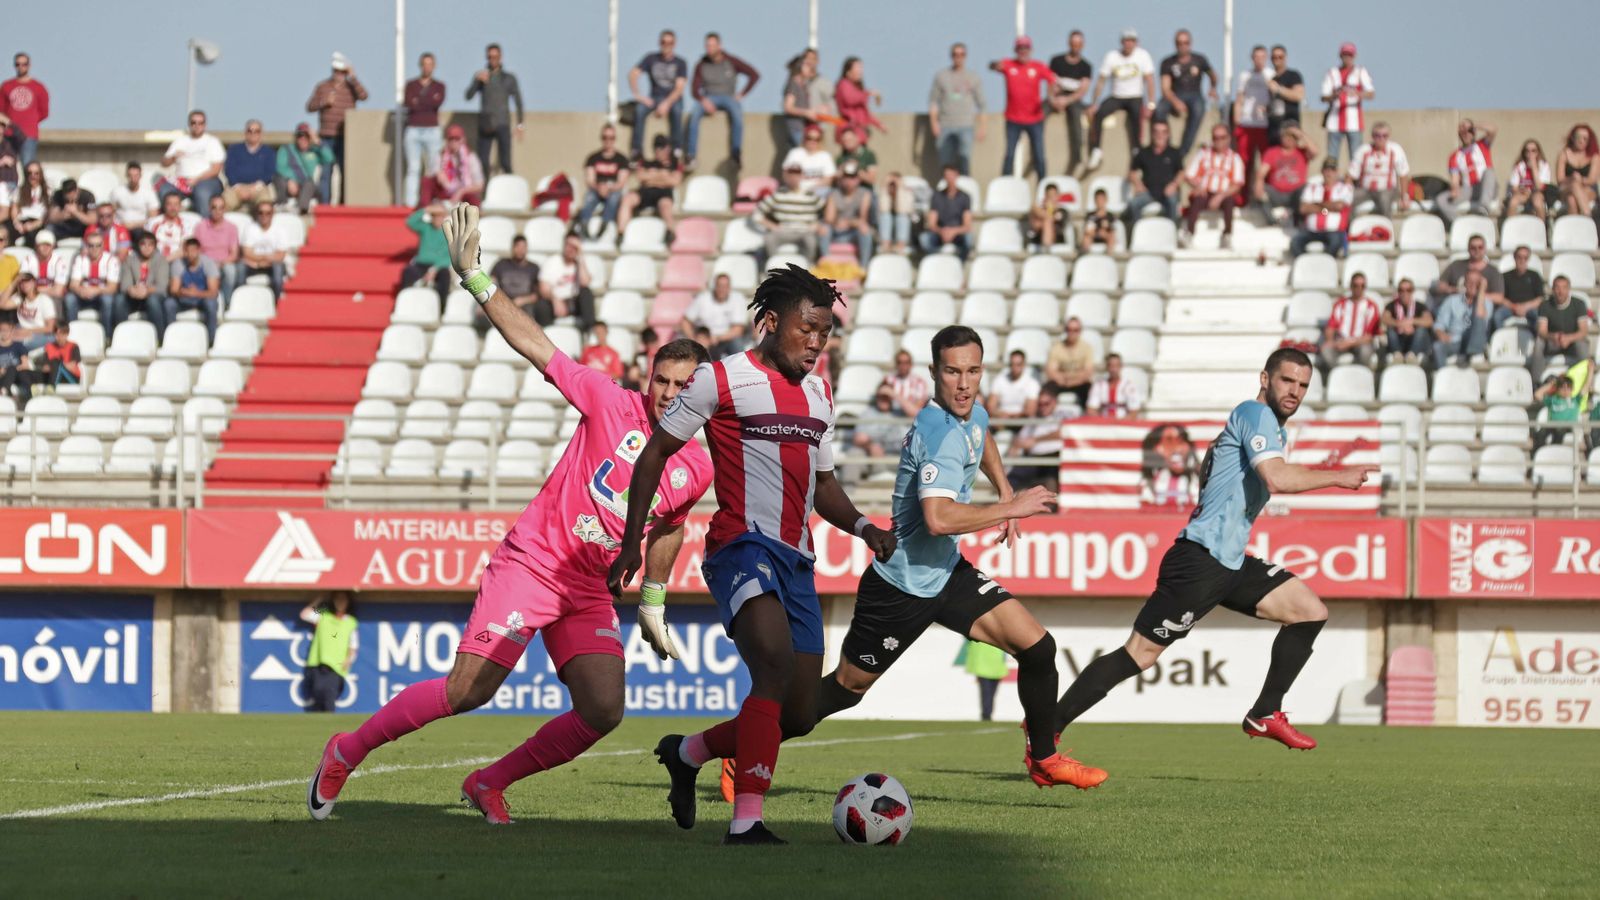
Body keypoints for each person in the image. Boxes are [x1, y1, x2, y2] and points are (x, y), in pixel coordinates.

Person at [308, 204, 714, 825]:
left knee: (604, 710)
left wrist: (654, 598)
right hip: (535, 563)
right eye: (661, 380)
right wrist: (476, 278)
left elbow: (672, 523)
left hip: (588, 587)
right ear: (649, 377)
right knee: (468, 691)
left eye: (683, 386)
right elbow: (537, 345)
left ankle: (488, 783)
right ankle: (346, 750)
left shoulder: (699, 466)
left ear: (701, 392)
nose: (668, 393)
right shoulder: (610, 400)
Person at [609, 264, 895, 845]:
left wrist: (866, 527)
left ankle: (687, 754)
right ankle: (747, 822)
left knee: (799, 714)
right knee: (771, 663)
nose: (816, 343)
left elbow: (827, 487)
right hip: (740, 546)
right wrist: (632, 540)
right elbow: (654, 455)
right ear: (769, 322)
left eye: (825, 332)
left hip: (797, 558)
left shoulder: (820, 391)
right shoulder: (721, 379)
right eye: (806, 329)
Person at [756, 326, 1100, 792]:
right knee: (844, 690)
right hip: (899, 586)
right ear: (934, 373)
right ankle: (748, 747)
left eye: (973, 371)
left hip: (946, 575)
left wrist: (1004, 487)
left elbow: (983, 436)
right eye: (953, 372)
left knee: (1038, 648)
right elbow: (937, 518)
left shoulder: (970, 413)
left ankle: (1044, 757)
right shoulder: (937, 433)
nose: (964, 383)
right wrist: (1010, 508)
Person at [1051, 348, 1376, 767]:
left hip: (1230, 561)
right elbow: (1276, 477)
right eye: (1286, 381)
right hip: (1199, 562)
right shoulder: (1254, 415)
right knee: (1140, 654)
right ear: (1265, 378)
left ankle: (1263, 714)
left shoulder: (1265, 426)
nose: (1294, 391)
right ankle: (1048, 725)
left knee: (1308, 610)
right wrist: (1338, 477)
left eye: (1302, 385)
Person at [684, 33, 759, 170]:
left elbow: (754, 74)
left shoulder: (731, 61)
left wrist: (742, 94)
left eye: (712, 45)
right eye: (707, 46)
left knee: (737, 114)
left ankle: (736, 154)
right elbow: (694, 90)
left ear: (719, 46)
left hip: (728, 97)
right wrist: (703, 100)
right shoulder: (701, 64)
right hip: (709, 97)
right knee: (694, 114)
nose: (710, 48)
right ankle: (690, 156)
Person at [1085, 28, 1156, 171]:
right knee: (1099, 114)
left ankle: (1137, 150)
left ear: (1136, 43)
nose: (1129, 44)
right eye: (1126, 41)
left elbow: (1150, 80)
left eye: (1132, 41)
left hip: (1135, 95)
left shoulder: (1143, 56)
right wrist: (1094, 103)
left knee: (1136, 118)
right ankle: (1097, 150)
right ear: (1122, 42)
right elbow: (1101, 81)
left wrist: (1151, 104)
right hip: (1117, 96)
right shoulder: (1112, 56)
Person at [989, 36, 1053, 179]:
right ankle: (1005, 183)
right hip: (1013, 119)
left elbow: (1052, 81)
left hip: (1034, 119)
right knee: (1010, 154)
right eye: (1020, 49)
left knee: (1039, 155)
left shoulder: (1038, 66)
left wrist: (1051, 96)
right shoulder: (1009, 64)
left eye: (1026, 48)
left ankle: (1043, 185)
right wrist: (995, 65)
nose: (1023, 52)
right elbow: (992, 66)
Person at [306, 52, 368, 197]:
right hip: (326, 136)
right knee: (326, 170)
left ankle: (343, 202)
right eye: (337, 71)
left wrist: (353, 78)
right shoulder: (323, 86)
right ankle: (325, 202)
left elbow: (364, 96)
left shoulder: (351, 87)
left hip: (345, 136)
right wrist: (324, 102)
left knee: (345, 170)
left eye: (342, 72)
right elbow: (309, 106)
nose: (339, 74)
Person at [1155, 29, 1219, 159]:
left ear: (1190, 43)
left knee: (1198, 109)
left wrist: (1213, 88)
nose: (1183, 46)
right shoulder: (1168, 62)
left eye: (1186, 43)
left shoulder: (1199, 59)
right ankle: (1165, 143)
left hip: (1194, 94)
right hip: (1175, 94)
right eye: (1179, 43)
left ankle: (1183, 151)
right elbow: (1165, 88)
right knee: (1160, 109)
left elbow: (1213, 75)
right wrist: (1175, 102)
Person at [1181, 125, 1246, 249]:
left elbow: (1237, 184)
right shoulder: (1203, 154)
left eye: (1222, 137)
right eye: (1216, 138)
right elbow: (1189, 175)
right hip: (1205, 192)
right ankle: (1189, 233)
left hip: (1224, 194)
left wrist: (1220, 196)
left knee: (1229, 201)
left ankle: (1227, 234)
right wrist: (1198, 186)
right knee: (1197, 199)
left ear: (1228, 139)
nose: (1219, 141)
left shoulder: (1234, 158)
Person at [628, 31, 689, 160]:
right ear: (659, 43)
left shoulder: (680, 63)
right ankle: (636, 150)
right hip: (654, 98)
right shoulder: (651, 58)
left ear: (674, 44)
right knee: (639, 110)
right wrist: (638, 96)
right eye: (663, 42)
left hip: (673, 99)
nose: (666, 45)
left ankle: (676, 148)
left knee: (677, 111)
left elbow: (679, 88)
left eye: (670, 43)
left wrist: (666, 104)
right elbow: (633, 74)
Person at [929, 43, 987, 176]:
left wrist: (983, 127)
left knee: (964, 160)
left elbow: (982, 104)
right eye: (955, 54)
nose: (958, 57)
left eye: (962, 54)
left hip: (966, 125)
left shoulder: (973, 77)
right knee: (945, 162)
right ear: (951, 56)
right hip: (945, 125)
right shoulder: (941, 76)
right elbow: (933, 101)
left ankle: (965, 191)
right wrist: (934, 123)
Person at [465, 44, 523, 175]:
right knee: (483, 162)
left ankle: (510, 189)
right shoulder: (481, 76)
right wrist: (476, 81)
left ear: (500, 57)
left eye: (495, 57)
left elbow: (518, 101)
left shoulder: (509, 78)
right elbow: (468, 96)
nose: (493, 60)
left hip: (503, 123)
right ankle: (485, 192)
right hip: (486, 124)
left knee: (505, 162)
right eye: (490, 57)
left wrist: (520, 124)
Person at [756, 163, 826, 267]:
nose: (794, 178)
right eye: (791, 175)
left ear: (802, 176)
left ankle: (809, 269)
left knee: (811, 241)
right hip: (783, 231)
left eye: (797, 175)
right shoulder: (778, 195)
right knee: (769, 238)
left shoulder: (811, 196)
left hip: (805, 231)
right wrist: (771, 225)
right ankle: (774, 269)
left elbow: (828, 212)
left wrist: (818, 225)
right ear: (785, 176)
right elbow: (757, 214)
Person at [1006, 385, 1075, 490]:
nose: (1043, 407)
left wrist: (1036, 440)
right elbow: (1020, 440)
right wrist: (1018, 444)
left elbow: (1064, 432)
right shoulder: (1034, 419)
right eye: (1040, 404)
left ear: (1055, 402)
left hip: (1055, 458)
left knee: (1051, 477)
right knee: (1011, 479)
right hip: (1034, 458)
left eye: (1046, 404)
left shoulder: (1063, 415)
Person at [299, 593, 358, 713]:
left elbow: (353, 645)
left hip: (337, 666)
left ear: (348, 602)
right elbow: (304, 614)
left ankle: (329, 728)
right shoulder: (323, 616)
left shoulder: (351, 622)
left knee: (329, 698)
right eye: (337, 599)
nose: (340, 603)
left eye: (343, 600)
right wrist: (320, 598)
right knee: (317, 694)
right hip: (318, 663)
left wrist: (349, 659)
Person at [616, 134, 682, 244]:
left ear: (668, 149)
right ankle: (621, 233)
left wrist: (652, 176)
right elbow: (641, 177)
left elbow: (675, 181)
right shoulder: (646, 162)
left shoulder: (674, 164)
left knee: (665, 205)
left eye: (662, 147)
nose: (659, 151)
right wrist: (663, 175)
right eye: (657, 147)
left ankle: (670, 232)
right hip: (645, 192)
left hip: (663, 193)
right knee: (627, 199)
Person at [402, 52, 446, 208]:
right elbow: (409, 103)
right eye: (424, 64)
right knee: (413, 168)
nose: (427, 67)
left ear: (434, 66)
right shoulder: (411, 85)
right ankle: (411, 203)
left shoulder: (439, 86)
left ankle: (431, 200)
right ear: (420, 65)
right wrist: (425, 101)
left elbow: (436, 103)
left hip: (432, 130)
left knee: (434, 168)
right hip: (413, 129)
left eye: (430, 64)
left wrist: (419, 101)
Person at [1319, 43, 1373, 163]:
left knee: (1356, 158)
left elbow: (1370, 93)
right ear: (1340, 56)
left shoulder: (1360, 72)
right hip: (1334, 121)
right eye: (1345, 55)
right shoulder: (1332, 73)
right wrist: (1335, 96)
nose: (1347, 58)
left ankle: (1354, 181)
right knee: (1332, 158)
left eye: (1350, 55)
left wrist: (1357, 94)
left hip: (1354, 122)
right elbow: (1323, 97)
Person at [1290, 158, 1354, 258]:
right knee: (1295, 243)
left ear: (1337, 172)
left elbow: (1339, 206)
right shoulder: (1312, 187)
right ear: (1322, 171)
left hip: (1334, 231)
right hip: (1312, 231)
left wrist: (1315, 204)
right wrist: (1328, 208)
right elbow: (1303, 208)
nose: (1329, 173)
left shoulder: (1344, 188)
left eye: (1332, 170)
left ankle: (1324, 265)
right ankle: (1305, 264)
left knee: (1335, 243)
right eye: (1327, 170)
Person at [1047, 31, 1091, 174]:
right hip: (1056, 97)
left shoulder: (1086, 66)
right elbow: (1051, 82)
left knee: (1077, 116)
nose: (1076, 46)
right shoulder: (1056, 61)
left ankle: (1078, 156)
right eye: (1073, 43)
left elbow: (1082, 90)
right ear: (1069, 44)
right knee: (1039, 113)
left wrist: (1067, 100)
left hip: (1073, 100)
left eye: (1079, 44)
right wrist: (1054, 99)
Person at [1532, 276, 1593, 378]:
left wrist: (1569, 338)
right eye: (1557, 287)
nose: (1561, 291)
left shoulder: (1579, 304)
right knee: (1539, 342)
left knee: (1582, 345)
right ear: (1553, 289)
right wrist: (1554, 337)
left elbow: (1583, 331)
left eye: (1564, 287)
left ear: (1569, 289)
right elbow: (1541, 331)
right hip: (1553, 342)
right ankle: (1536, 382)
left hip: (1572, 343)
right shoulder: (1545, 305)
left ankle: (1584, 381)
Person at [1125, 120, 1184, 224]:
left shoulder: (1174, 153)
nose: (1159, 135)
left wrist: (1174, 185)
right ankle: (1138, 233)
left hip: (1167, 193)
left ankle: (1172, 234)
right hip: (1148, 193)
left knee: (1173, 201)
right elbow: (1132, 172)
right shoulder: (1143, 153)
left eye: (1163, 132)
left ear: (1168, 134)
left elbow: (1181, 172)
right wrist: (1138, 185)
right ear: (1152, 134)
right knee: (1134, 204)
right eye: (1156, 132)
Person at [1441, 119, 1498, 227]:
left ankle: (1483, 209)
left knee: (1489, 171)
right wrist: (1454, 189)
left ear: (1474, 132)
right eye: (1463, 132)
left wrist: (1474, 125)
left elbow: (1493, 130)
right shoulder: (1454, 156)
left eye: (1469, 131)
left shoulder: (1482, 145)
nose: (1466, 134)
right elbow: (1455, 179)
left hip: (1486, 187)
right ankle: (1461, 226)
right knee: (1442, 199)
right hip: (1469, 189)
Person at [575, 125, 630, 239]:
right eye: (605, 137)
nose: (608, 141)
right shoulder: (592, 158)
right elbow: (590, 180)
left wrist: (609, 188)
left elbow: (621, 182)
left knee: (614, 198)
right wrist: (599, 187)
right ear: (601, 138)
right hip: (596, 189)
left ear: (615, 139)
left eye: (611, 137)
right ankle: (584, 224)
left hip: (613, 190)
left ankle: (605, 225)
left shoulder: (622, 159)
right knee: (589, 198)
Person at [1232, 45, 1272, 198]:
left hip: (1264, 124)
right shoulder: (1245, 75)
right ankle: (1242, 197)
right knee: (1244, 162)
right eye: (1257, 57)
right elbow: (1240, 98)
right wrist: (1237, 119)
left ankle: (1265, 195)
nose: (1260, 60)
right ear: (1252, 58)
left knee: (1265, 163)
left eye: (1263, 57)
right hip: (1247, 123)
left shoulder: (1270, 74)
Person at [1320, 272, 1381, 371]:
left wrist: (1350, 343)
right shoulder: (1340, 304)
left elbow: (1370, 336)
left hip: (1361, 342)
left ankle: (1359, 376)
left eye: (1362, 286)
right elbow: (1330, 327)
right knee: (1325, 349)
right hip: (1340, 341)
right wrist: (1330, 341)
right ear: (1351, 286)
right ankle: (1339, 375)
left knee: (1365, 351)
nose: (1359, 288)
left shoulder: (1371, 306)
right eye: (1355, 285)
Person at [539, 234, 598, 333]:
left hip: (573, 302)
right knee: (541, 306)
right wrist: (555, 300)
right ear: (563, 245)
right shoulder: (552, 262)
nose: (571, 249)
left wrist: (580, 258)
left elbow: (585, 283)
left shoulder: (581, 263)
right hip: (554, 301)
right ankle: (545, 336)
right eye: (569, 245)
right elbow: (543, 289)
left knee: (586, 293)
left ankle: (589, 331)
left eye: (575, 247)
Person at [1255, 121, 1315, 219]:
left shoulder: (1302, 152)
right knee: (1262, 189)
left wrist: (1300, 134)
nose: (1289, 138)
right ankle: (1271, 221)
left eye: (1292, 136)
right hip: (1277, 194)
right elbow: (1261, 173)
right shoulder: (1272, 152)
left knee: (1307, 189)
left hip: (1295, 195)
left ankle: (1297, 219)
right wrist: (1258, 184)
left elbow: (1315, 151)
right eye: (1286, 135)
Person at [1432, 271, 1492, 369]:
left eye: (1477, 282)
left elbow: (1481, 319)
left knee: (1478, 324)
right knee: (1437, 346)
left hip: (1475, 342)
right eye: (1470, 282)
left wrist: (1481, 291)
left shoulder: (1487, 303)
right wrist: (1441, 334)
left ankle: (1471, 354)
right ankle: (1443, 380)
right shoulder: (1451, 301)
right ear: (1464, 283)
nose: (1473, 285)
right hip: (1455, 341)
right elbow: (1439, 324)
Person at [1348, 122, 1410, 215]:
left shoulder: (1395, 149)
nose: (1381, 139)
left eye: (1384, 136)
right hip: (1365, 189)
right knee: (1347, 199)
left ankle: (1386, 227)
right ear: (1372, 136)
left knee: (1384, 199)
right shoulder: (1363, 150)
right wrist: (1346, 192)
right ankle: (1349, 227)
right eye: (1378, 135)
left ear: (1389, 136)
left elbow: (1403, 174)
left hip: (1387, 189)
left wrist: (1404, 196)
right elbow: (1351, 175)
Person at [167, 237, 220, 345]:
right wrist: (182, 292)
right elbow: (174, 290)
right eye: (187, 251)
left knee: (211, 304)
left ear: (199, 250)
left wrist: (196, 293)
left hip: (202, 299)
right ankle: (170, 338)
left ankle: (211, 341)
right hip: (184, 298)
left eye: (193, 250)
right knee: (169, 304)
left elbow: (213, 292)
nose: (190, 254)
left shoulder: (208, 263)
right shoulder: (178, 264)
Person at [684, 272, 749, 357]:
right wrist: (694, 338)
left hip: (726, 339)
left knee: (737, 343)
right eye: (719, 285)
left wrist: (717, 338)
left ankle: (740, 367)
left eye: (725, 286)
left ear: (729, 287)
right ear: (715, 286)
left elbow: (738, 330)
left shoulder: (737, 299)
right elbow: (685, 321)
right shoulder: (702, 298)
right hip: (704, 339)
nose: (722, 289)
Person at [276, 124, 337, 214]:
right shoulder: (287, 149)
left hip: (309, 187)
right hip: (289, 184)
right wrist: (290, 180)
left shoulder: (314, 151)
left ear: (310, 138)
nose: (303, 139)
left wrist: (318, 141)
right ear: (296, 138)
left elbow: (330, 158)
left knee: (309, 183)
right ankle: (282, 205)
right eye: (300, 136)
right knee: (278, 178)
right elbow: (280, 166)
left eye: (306, 136)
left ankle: (302, 210)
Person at [421, 123, 485, 207]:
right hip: (445, 191)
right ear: (447, 140)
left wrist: (461, 191)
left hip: (464, 193)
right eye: (451, 139)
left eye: (457, 138)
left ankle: (473, 217)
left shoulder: (471, 157)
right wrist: (438, 174)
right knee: (427, 182)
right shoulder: (440, 155)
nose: (454, 142)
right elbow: (430, 175)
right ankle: (426, 210)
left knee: (473, 198)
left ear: (463, 139)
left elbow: (480, 185)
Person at [118, 230, 169, 335]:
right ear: (138, 245)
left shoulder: (161, 260)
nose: (147, 247)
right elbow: (125, 285)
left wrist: (146, 290)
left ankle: (159, 337)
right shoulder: (130, 259)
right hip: (134, 295)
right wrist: (131, 290)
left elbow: (162, 287)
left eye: (150, 245)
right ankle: (119, 335)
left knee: (153, 301)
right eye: (143, 244)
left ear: (155, 246)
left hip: (153, 295)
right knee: (119, 300)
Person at [1, 53, 48, 165]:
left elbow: (44, 112)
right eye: (18, 64)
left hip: (29, 135)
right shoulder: (6, 86)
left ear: (29, 65)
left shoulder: (38, 87)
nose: (21, 67)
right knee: (7, 165)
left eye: (24, 64)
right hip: (9, 134)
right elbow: (1, 111)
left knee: (28, 165)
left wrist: (30, 121)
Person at [1434, 234, 1506, 309]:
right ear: (1468, 249)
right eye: (1473, 248)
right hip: (1456, 305)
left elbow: (1499, 298)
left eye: (1480, 247)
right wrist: (1453, 290)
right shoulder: (1456, 265)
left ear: (1485, 249)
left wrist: (1473, 294)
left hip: (1481, 308)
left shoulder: (1493, 271)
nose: (1477, 250)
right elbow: (1440, 286)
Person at [824, 160, 874, 264]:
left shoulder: (865, 194)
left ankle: (863, 268)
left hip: (853, 233)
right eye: (846, 177)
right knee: (824, 229)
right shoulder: (834, 194)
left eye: (852, 177)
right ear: (841, 179)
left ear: (858, 179)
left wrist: (848, 222)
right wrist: (840, 223)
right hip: (836, 232)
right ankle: (826, 264)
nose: (849, 180)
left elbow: (862, 220)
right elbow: (829, 219)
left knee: (865, 229)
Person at [238, 201, 291, 300]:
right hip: (253, 265)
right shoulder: (250, 228)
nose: (264, 216)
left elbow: (280, 256)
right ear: (257, 214)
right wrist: (268, 257)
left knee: (278, 267)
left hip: (268, 264)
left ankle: (277, 301)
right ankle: (241, 299)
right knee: (240, 266)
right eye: (261, 212)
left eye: (268, 213)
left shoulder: (280, 230)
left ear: (272, 214)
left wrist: (259, 260)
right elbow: (246, 253)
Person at [920, 164, 973, 260]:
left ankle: (960, 263)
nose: (949, 178)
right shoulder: (936, 196)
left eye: (951, 175)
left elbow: (967, 225)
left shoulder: (965, 197)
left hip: (958, 233)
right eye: (947, 176)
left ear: (957, 175)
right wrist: (942, 231)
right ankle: (936, 260)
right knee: (924, 239)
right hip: (940, 233)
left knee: (969, 239)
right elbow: (932, 224)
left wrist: (953, 231)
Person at [65, 231, 119, 325]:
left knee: (107, 300)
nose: (94, 249)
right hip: (83, 295)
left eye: (98, 245)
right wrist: (80, 291)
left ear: (103, 245)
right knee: (69, 299)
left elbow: (112, 288)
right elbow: (73, 285)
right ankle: (72, 333)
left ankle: (107, 336)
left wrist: (95, 290)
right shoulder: (80, 259)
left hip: (101, 296)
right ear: (86, 246)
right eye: (91, 245)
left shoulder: (111, 260)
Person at [402, 203, 452, 304]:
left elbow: (449, 257)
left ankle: (442, 307)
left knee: (445, 276)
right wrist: (426, 209)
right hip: (421, 265)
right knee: (408, 272)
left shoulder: (448, 232)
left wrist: (434, 269)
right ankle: (405, 302)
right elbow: (409, 222)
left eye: (440, 216)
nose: (437, 219)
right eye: (434, 216)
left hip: (439, 267)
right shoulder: (425, 228)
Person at [193, 195, 240, 302]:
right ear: (209, 208)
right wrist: (209, 264)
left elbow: (234, 254)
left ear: (225, 209)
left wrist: (221, 263)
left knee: (230, 270)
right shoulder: (200, 226)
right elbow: (196, 251)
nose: (217, 211)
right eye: (214, 207)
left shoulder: (232, 228)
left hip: (224, 263)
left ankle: (227, 302)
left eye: (221, 208)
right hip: (204, 263)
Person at [224, 119, 277, 211]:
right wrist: (238, 187)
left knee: (265, 206)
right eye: (250, 130)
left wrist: (255, 188)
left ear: (261, 134)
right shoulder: (234, 150)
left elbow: (269, 173)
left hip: (258, 188)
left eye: (257, 131)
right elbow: (229, 170)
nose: (253, 133)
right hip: (236, 188)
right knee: (221, 206)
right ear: (245, 133)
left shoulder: (269, 152)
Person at [1045, 317, 1096, 410]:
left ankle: (1088, 418)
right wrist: (1064, 380)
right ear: (1065, 330)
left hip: (1079, 384)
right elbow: (1051, 371)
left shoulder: (1086, 348)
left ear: (1080, 331)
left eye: (1075, 330)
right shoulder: (1056, 347)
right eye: (1069, 330)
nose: (1072, 333)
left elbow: (1087, 372)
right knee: (1047, 390)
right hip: (1061, 382)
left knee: (1091, 391)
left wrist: (1071, 380)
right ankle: (1046, 419)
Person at [833, 57, 883, 147]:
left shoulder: (858, 88)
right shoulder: (843, 84)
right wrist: (868, 93)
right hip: (849, 131)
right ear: (848, 71)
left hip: (860, 132)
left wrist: (878, 124)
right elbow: (850, 99)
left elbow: (865, 113)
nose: (861, 71)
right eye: (858, 68)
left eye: (861, 68)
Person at [1381, 279, 1433, 365]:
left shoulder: (1420, 306)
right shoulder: (1391, 305)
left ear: (1412, 291)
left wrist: (1411, 321)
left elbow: (1429, 321)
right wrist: (1399, 323)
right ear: (1398, 291)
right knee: (1390, 330)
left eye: (1408, 290)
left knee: (1421, 330)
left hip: (1415, 341)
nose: (1405, 293)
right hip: (1399, 340)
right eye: (1401, 290)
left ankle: (1412, 355)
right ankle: (1397, 355)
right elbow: (1384, 319)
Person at [1533, 372, 1589, 450]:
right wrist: (1552, 384)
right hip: (1553, 426)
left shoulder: (1575, 400)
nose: (1565, 390)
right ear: (1558, 389)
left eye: (1568, 387)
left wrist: (1590, 371)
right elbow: (1537, 394)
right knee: (1540, 433)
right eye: (1562, 387)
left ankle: (1554, 452)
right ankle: (1538, 455)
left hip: (1568, 427)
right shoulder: (1553, 400)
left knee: (1559, 431)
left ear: (1572, 389)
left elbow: (1586, 387)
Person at [781, 54, 823, 151]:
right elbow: (788, 107)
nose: (810, 68)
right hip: (796, 129)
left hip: (802, 128)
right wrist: (806, 113)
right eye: (807, 65)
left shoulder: (803, 86)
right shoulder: (793, 84)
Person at [780, 124, 836, 197]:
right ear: (804, 138)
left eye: (817, 139)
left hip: (818, 191)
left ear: (820, 140)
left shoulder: (825, 156)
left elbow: (828, 181)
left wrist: (810, 187)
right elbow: (785, 175)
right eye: (809, 138)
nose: (813, 141)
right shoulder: (795, 153)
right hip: (795, 188)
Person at [986, 349, 1041, 423]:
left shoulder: (1032, 383)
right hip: (1001, 422)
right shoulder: (999, 380)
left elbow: (1030, 411)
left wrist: (1010, 417)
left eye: (1018, 364)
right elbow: (990, 407)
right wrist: (1003, 416)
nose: (1014, 368)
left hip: (1023, 424)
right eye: (1012, 364)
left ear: (1024, 365)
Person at [1555, 124, 1598, 218]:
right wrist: (1572, 178)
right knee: (1574, 185)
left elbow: (1592, 179)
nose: (1581, 141)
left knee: (1572, 200)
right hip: (1566, 188)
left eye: (1585, 138)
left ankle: (1574, 229)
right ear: (1572, 138)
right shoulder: (1564, 154)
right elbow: (1560, 179)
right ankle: (1588, 217)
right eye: (1578, 137)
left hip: (1588, 189)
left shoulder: (1594, 156)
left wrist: (1580, 179)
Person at [1264, 45, 1304, 145]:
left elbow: (1299, 96)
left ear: (1285, 58)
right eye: (1274, 57)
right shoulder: (1272, 79)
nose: (1277, 59)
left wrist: (1278, 89)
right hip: (1274, 128)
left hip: (1289, 127)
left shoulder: (1293, 75)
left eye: (1280, 57)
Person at [1506, 139, 1555, 220]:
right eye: (1527, 151)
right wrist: (1522, 190)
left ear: (1538, 152)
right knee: (1513, 202)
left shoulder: (1543, 166)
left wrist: (1534, 168)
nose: (1530, 154)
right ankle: (1510, 227)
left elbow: (1540, 187)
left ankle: (1541, 227)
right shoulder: (1519, 166)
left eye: (1533, 151)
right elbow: (1514, 187)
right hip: (1523, 193)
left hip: (1538, 193)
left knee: (1538, 202)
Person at [1501, 246, 1545, 329]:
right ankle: (1498, 340)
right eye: (1519, 257)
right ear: (1514, 257)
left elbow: (1540, 298)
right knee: (1497, 316)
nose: (1522, 260)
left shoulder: (1535, 275)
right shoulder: (1505, 276)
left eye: (1525, 258)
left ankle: (1535, 340)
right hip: (1510, 308)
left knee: (1538, 317)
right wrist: (1514, 307)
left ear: (1528, 259)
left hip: (1530, 308)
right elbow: (1500, 298)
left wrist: (1525, 307)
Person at [1087, 352, 1142, 417]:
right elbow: (1091, 409)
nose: (1114, 369)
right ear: (1107, 367)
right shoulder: (1098, 385)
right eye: (1111, 366)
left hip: (1123, 422)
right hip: (1103, 422)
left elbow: (1134, 411)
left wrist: (1121, 422)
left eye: (1116, 366)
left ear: (1121, 366)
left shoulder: (1129, 386)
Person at [965, 640, 1008, 722]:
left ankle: (987, 714)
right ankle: (986, 715)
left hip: (996, 667)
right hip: (984, 667)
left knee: (990, 693)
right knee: (987, 692)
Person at [108, 161, 159, 229]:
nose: (133, 179)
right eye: (130, 176)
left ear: (140, 176)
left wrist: (134, 225)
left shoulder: (149, 193)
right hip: (120, 228)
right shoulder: (117, 192)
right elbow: (110, 211)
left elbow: (153, 217)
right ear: (126, 175)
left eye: (136, 176)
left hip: (142, 228)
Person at [883, 349, 932, 416]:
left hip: (910, 421)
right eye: (899, 362)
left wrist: (893, 394)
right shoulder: (888, 380)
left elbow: (916, 412)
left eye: (906, 362)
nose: (903, 365)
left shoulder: (919, 383)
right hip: (891, 417)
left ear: (911, 364)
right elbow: (884, 407)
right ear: (896, 364)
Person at [9, 160, 47, 246]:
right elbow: (14, 209)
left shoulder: (47, 192)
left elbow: (47, 213)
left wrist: (34, 225)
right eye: (30, 173)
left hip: (38, 223)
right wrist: (17, 223)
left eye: (36, 173)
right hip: (21, 221)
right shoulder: (20, 190)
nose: (33, 176)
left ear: (40, 175)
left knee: (34, 236)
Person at [877, 171, 914, 255]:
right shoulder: (883, 193)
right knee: (885, 216)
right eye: (891, 184)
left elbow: (902, 210)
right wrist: (885, 188)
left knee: (902, 217)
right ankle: (885, 245)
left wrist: (900, 190)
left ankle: (900, 246)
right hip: (886, 225)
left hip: (901, 223)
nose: (893, 186)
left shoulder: (907, 193)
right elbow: (883, 209)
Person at [147, 192, 193, 261]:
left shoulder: (187, 225)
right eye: (169, 204)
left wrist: (165, 261)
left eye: (176, 204)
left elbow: (184, 249)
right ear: (164, 206)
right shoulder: (153, 222)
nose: (173, 208)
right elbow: (147, 245)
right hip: (155, 259)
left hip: (177, 259)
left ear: (180, 206)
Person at [36, 320, 80, 389]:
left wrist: (57, 365)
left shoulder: (74, 346)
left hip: (70, 378)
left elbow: (72, 365)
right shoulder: (49, 347)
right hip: (53, 375)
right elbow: (45, 367)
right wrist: (54, 367)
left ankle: (51, 388)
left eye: (62, 334)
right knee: (26, 373)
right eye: (57, 334)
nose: (59, 337)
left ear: (67, 334)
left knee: (55, 362)